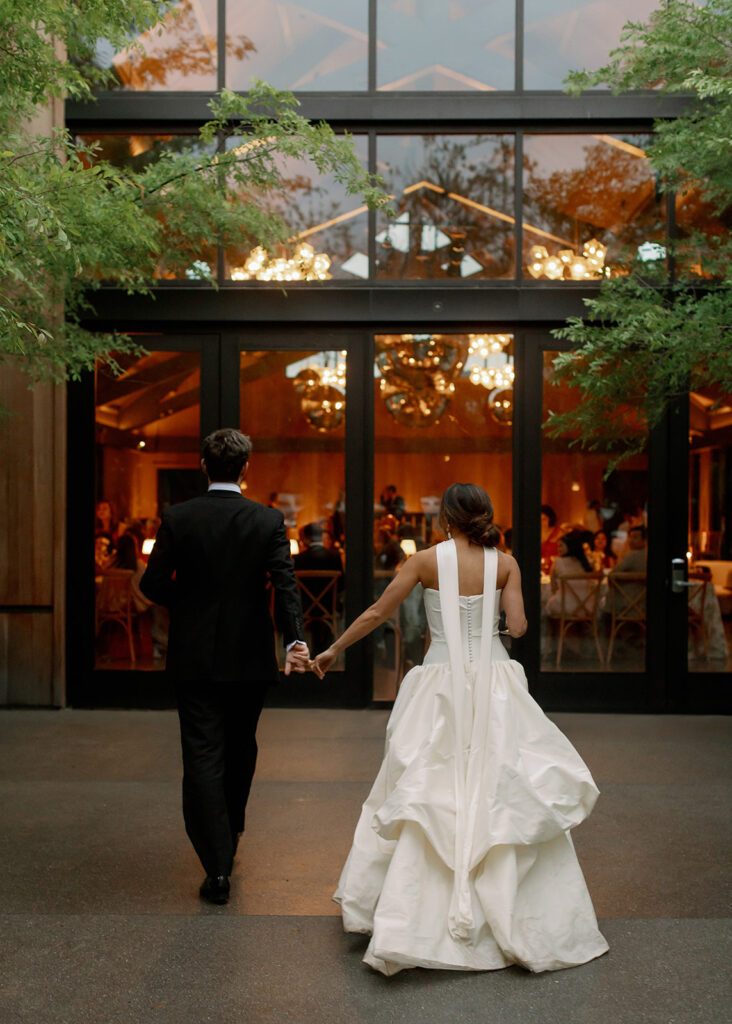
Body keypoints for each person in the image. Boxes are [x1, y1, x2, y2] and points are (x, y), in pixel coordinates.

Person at [312, 483, 608, 976]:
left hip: (440, 683)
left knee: (429, 784)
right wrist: (505, 611)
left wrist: (333, 650)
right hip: (494, 680)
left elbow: (378, 612)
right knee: (500, 784)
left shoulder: (425, 560)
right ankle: (509, 908)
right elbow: (516, 629)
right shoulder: (507, 562)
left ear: (446, 518)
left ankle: (414, 911)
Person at [140, 428, 309, 906]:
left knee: (201, 754)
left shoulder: (177, 517)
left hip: (193, 655)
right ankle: (228, 835)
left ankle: (216, 864)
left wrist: (190, 606)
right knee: (241, 748)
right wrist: (294, 638)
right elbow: (285, 583)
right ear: (246, 469)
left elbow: (152, 583)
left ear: (202, 466)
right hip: (250, 656)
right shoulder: (267, 519)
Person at [545, 530, 596, 617]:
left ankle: (561, 630)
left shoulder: (558, 562)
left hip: (565, 607)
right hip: (587, 607)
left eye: (561, 546)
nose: (558, 549)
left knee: (547, 607)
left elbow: (553, 587)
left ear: (570, 546)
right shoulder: (586, 562)